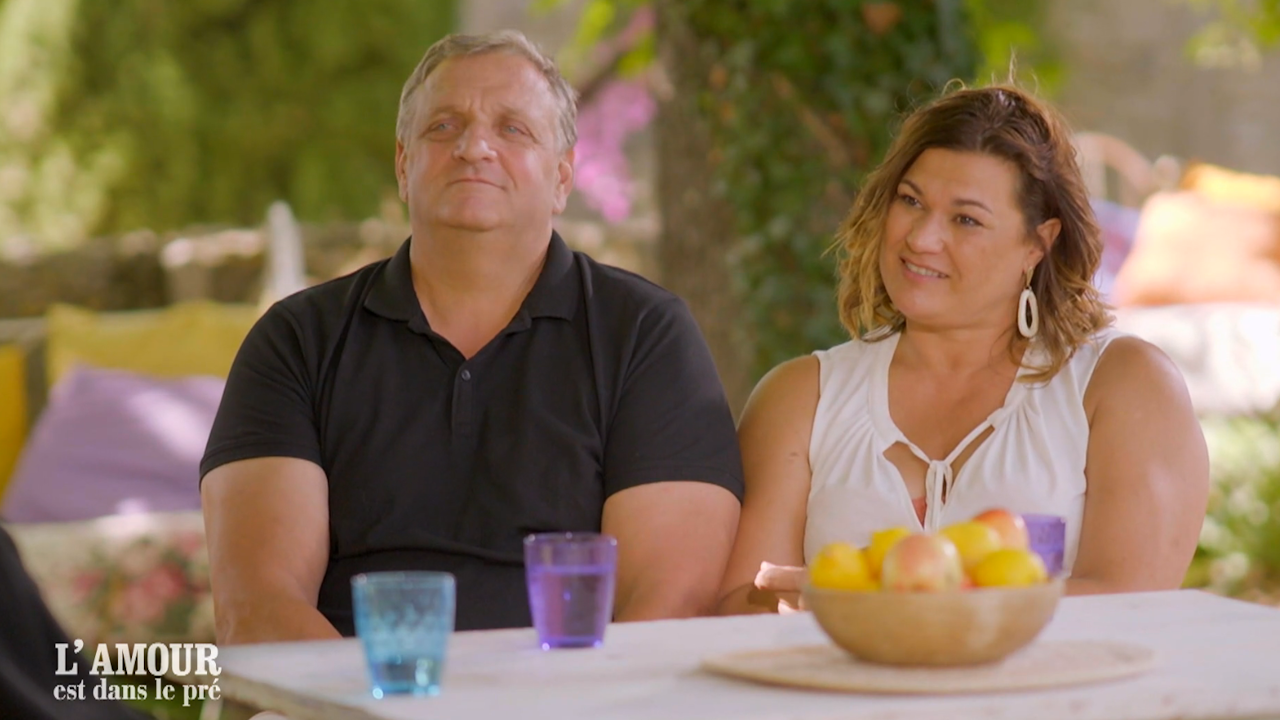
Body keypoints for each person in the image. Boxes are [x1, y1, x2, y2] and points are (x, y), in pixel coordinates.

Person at [200, 30, 743, 642]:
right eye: (443, 127)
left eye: (513, 128)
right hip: (345, 688)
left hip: (580, 690)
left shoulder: (646, 335)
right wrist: (378, 697)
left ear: (563, 177)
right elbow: (258, 607)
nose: (474, 147)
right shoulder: (296, 341)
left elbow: (669, 604)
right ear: (404, 166)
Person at [717, 84, 1210, 614]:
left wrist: (875, 602)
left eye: (966, 219)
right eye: (910, 201)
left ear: (1037, 244)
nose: (921, 238)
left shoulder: (1124, 385)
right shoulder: (799, 397)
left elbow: (1132, 607)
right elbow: (734, 610)